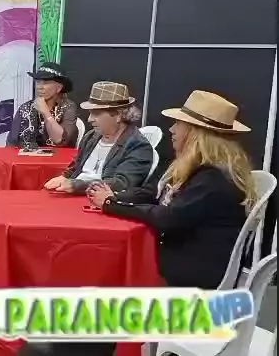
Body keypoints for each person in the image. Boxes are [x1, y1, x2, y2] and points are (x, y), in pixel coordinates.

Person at [25, 91, 256, 356]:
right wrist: (115, 199)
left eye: (178, 124)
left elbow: (167, 217)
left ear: (196, 134)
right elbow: (152, 194)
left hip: (188, 284)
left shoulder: (212, 180)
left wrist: (111, 205)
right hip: (180, 267)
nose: (172, 130)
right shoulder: (202, 170)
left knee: (100, 284)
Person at [43, 81, 153, 195]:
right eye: (90, 113)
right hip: (74, 194)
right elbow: (75, 166)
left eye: (96, 113)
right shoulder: (91, 137)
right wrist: (64, 177)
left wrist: (77, 185)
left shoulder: (138, 146)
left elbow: (121, 184)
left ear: (118, 115)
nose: (89, 119)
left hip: (100, 200)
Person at [6, 62, 79, 148]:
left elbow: (60, 140)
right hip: (28, 156)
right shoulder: (25, 108)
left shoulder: (68, 107)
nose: (39, 87)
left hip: (60, 156)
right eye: (38, 82)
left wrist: (46, 113)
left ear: (58, 88)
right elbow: (11, 143)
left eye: (45, 82)